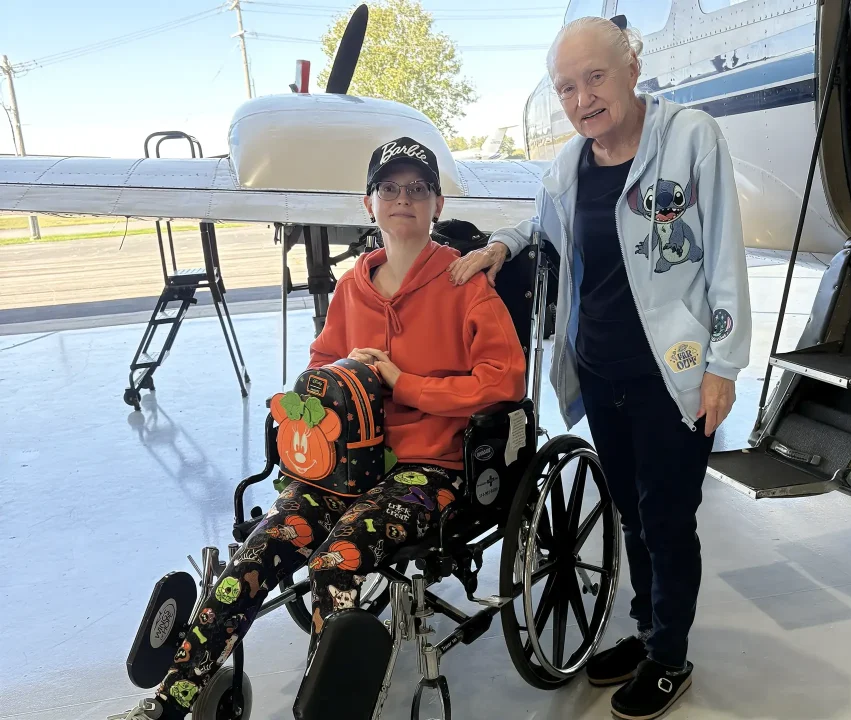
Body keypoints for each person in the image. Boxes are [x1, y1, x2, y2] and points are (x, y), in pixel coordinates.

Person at [111, 137, 527, 720]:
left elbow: (504, 382)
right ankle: (168, 703)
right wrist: (340, 371)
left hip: (430, 468)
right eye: (389, 188)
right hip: (344, 464)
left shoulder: (465, 285)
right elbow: (320, 364)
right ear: (368, 204)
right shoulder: (353, 286)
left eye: (417, 189)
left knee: (336, 561)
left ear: (437, 203)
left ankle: (329, 709)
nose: (403, 199)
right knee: (255, 555)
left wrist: (404, 383)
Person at [449, 15, 751, 720]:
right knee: (631, 514)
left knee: (667, 517)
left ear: (632, 69)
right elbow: (545, 225)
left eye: (595, 78)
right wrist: (501, 245)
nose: (582, 99)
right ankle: (648, 630)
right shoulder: (569, 165)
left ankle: (669, 657)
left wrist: (724, 365)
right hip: (601, 371)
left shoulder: (691, 138)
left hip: (672, 376)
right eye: (566, 87)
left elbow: (725, 255)